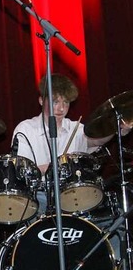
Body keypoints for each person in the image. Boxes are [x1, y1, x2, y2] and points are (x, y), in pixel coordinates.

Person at [12, 73, 131, 216]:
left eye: (66, 102)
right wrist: (53, 168)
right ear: (41, 101)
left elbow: (95, 140)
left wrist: (115, 128)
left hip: (73, 193)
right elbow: (22, 172)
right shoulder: (25, 129)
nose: (61, 109)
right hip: (39, 194)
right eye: (56, 102)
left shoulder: (76, 128)